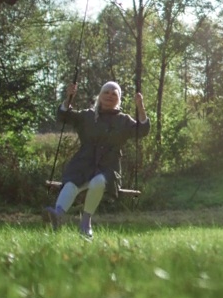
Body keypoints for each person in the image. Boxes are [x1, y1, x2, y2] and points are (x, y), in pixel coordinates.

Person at [44, 81, 149, 238]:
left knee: (98, 182)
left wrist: (140, 106)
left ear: (118, 99)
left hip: (109, 167)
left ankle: (86, 223)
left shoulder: (123, 120)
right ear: (100, 96)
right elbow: (63, 116)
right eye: (106, 92)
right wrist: (69, 97)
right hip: (83, 163)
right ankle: (58, 215)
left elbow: (142, 130)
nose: (109, 96)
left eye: (114, 94)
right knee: (71, 183)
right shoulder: (87, 116)